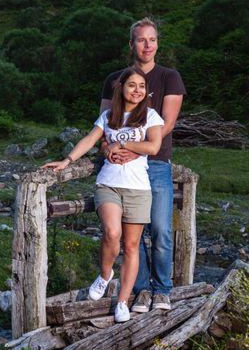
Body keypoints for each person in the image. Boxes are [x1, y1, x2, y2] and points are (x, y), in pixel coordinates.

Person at [43, 67, 163, 323]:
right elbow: (89, 140)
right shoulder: (109, 116)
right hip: (108, 184)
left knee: (132, 247)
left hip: (139, 189)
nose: (137, 90)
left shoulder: (151, 116)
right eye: (132, 85)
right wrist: (67, 161)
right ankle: (105, 274)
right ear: (122, 88)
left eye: (142, 86)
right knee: (112, 233)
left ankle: (122, 301)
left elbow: (153, 146)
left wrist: (119, 144)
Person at [100, 17, 186, 313]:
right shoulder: (114, 79)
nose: (147, 45)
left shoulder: (169, 77)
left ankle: (163, 289)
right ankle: (142, 289)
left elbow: (168, 124)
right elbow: (105, 125)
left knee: (160, 229)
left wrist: (134, 151)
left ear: (157, 43)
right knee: (130, 235)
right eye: (141, 39)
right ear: (131, 44)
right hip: (121, 168)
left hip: (156, 163)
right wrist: (108, 149)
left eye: (152, 39)